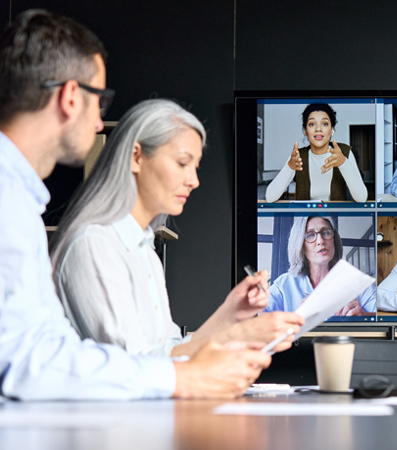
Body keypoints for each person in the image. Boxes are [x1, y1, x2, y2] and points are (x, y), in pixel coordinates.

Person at [0, 9, 273, 400]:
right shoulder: (22, 205)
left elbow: (54, 348)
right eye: (101, 101)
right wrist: (190, 375)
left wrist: (228, 323)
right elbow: (33, 360)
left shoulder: (23, 200)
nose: (99, 124)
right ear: (71, 97)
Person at [49, 99, 304, 358]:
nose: (194, 181)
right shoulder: (94, 244)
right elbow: (134, 365)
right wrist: (238, 336)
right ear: (136, 157)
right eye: (183, 163)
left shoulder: (144, 250)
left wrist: (231, 314)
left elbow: (170, 350)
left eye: (196, 167)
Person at [265, 216, 376, 316]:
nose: (320, 241)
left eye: (326, 233)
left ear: (334, 240)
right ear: (300, 245)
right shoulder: (284, 284)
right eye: (310, 235)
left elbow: (382, 317)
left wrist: (364, 316)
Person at [265, 104, 368, 202]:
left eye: (325, 124)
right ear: (305, 130)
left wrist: (343, 163)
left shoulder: (344, 152)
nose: (318, 129)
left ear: (332, 129)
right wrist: (290, 167)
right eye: (312, 124)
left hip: (336, 219)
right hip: (306, 219)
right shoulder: (298, 156)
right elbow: (270, 197)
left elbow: (362, 198)